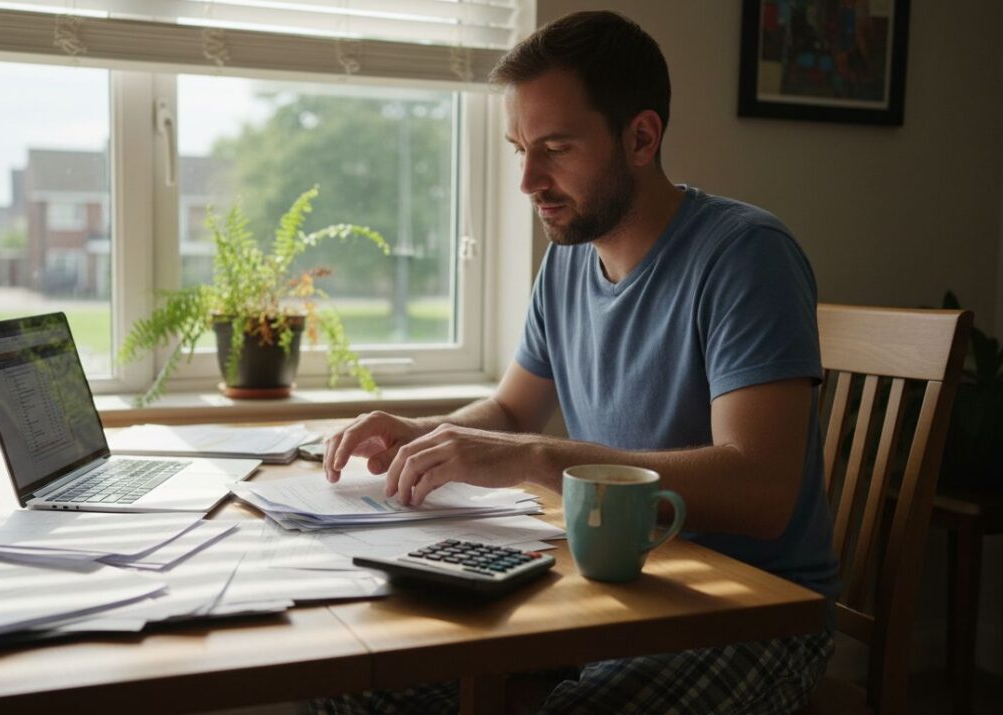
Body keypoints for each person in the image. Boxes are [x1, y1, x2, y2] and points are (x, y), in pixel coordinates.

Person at [315, 10, 838, 714]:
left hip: (744, 613)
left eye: (555, 148)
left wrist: (534, 458)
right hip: (604, 592)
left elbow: (762, 489)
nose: (529, 179)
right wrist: (422, 435)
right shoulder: (565, 264)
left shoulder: (746, 255)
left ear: (642, 137)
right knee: (356, 687)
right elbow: (507, 411)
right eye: (519, 149)